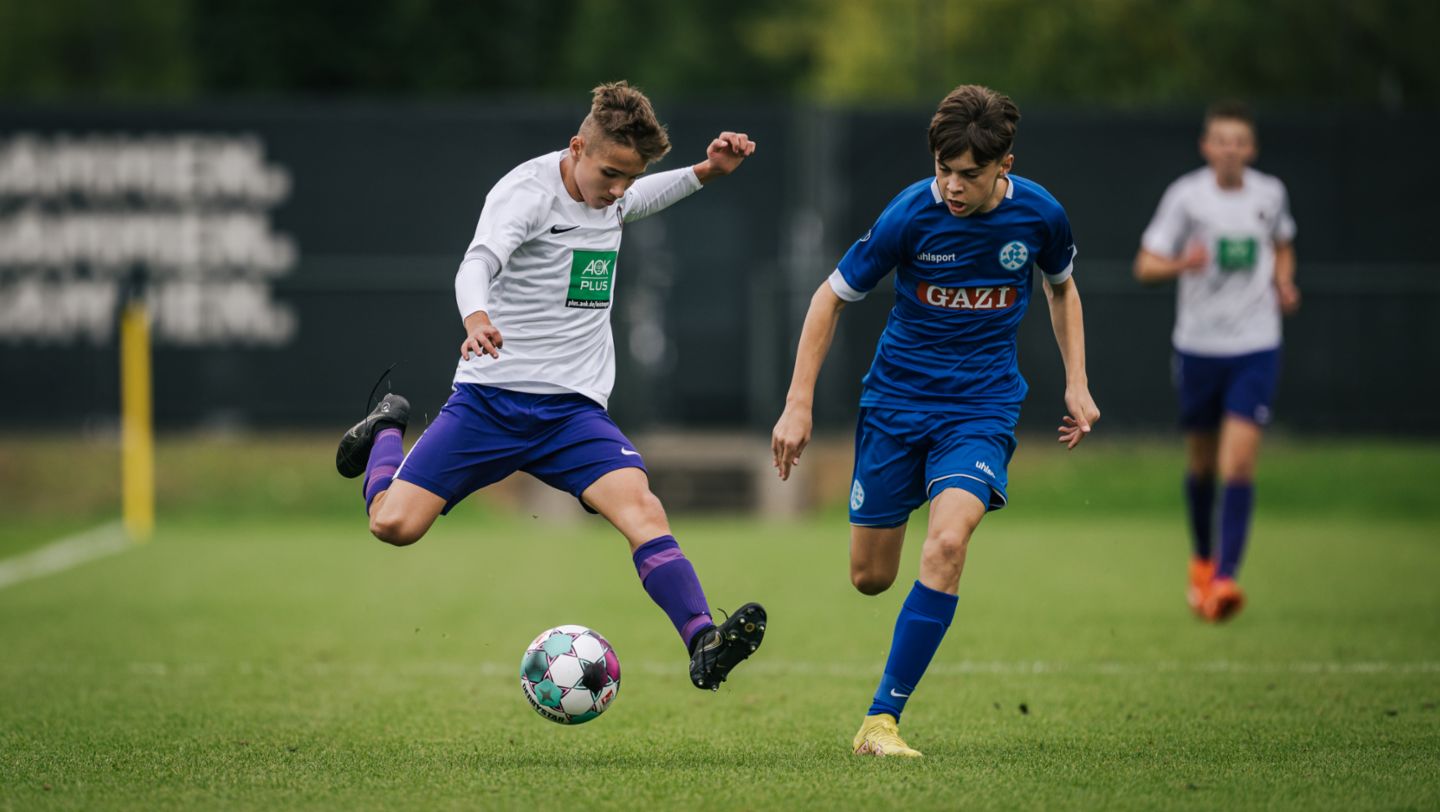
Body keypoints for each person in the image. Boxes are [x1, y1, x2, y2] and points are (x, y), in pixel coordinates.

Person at [334, 81, 766, 691]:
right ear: (576, 148)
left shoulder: (613, 193)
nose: (617, 190)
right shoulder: (524, 194)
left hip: (572, 413)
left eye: (628, 177)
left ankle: (703, 639)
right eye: (610, 173)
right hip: (490, 401)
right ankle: (385, 430)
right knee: (393, 526)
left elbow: (640, 197)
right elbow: (477, 262)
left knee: (642, 508)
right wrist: (476, 316)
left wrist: (706, 171)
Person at [771, 84, 1099, 757]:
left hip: (980, 408)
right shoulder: (908, 216)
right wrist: (798, 403)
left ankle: (880, 721)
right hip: (895, 405)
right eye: (943, 170)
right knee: (871, 578)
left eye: (970, 174)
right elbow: (828, 299)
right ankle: (905, 506)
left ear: (1005, 164)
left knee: (948, 545)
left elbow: (1061, 287)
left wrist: (1077, 383)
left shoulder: (1040, 217)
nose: (952, 186)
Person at [1134, 100, 1298, 624]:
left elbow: (1283, 243)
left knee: (1240, 462)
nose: (1230, 149)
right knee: (1203, 464)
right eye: (1220, 140)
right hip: (1199, 347)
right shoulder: (1187, 197)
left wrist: (1283, 280)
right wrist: (1184, 261)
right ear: (1206, 146)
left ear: (1252, 148)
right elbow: (1145, 265)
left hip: (1256, 343)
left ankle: (1226, 579)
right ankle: (1202, 563)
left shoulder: (1270, 194)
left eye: (1240, 141)